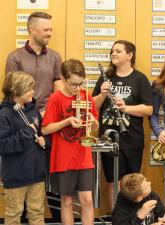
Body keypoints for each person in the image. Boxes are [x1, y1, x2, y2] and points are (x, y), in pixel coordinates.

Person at [92, 40, 153, 213]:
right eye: (112, 51)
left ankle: (134, 217)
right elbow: (93, 106)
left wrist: (125, 108)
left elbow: (148, 109)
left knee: (133, 182)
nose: (113, 54)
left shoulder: (140, 79)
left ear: (130, 55)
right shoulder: (106, 78)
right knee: (113, 181)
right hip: (109, 139)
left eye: (118, 51)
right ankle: (117, 217)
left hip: (132, 138)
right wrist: (103, 95)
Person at [41, 59, 99, 225]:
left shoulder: (86, 95)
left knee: (87, 200)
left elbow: (95, 127)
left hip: (83, 155)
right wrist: (67, 121)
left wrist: (92, 120)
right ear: (63, 79)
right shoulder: (55, 98)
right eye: (73, 84)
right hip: (63, 157)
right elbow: (45, 129)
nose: (77, 88)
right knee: (66, 201)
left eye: (81, 83)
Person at [0, 71, 49, 225]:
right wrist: (27, 132)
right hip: (15, 177)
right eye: (29, 89)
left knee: (37, 213)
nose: (33, 92)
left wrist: (45, 140)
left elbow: (43, 132)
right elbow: (3, 145)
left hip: (36, 174)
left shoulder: (33, 110)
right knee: (14, 216)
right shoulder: (4, 114)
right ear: (16, 91)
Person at [5, 11, 63, 114]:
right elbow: (12, 93)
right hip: (22, 116)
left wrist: (49, 112)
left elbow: (58, 90)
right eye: (46, 30)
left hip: (48, 115)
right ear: (33, 30)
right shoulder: (14, 57)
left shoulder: (55, 57)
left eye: (50, 30)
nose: (50, 33)